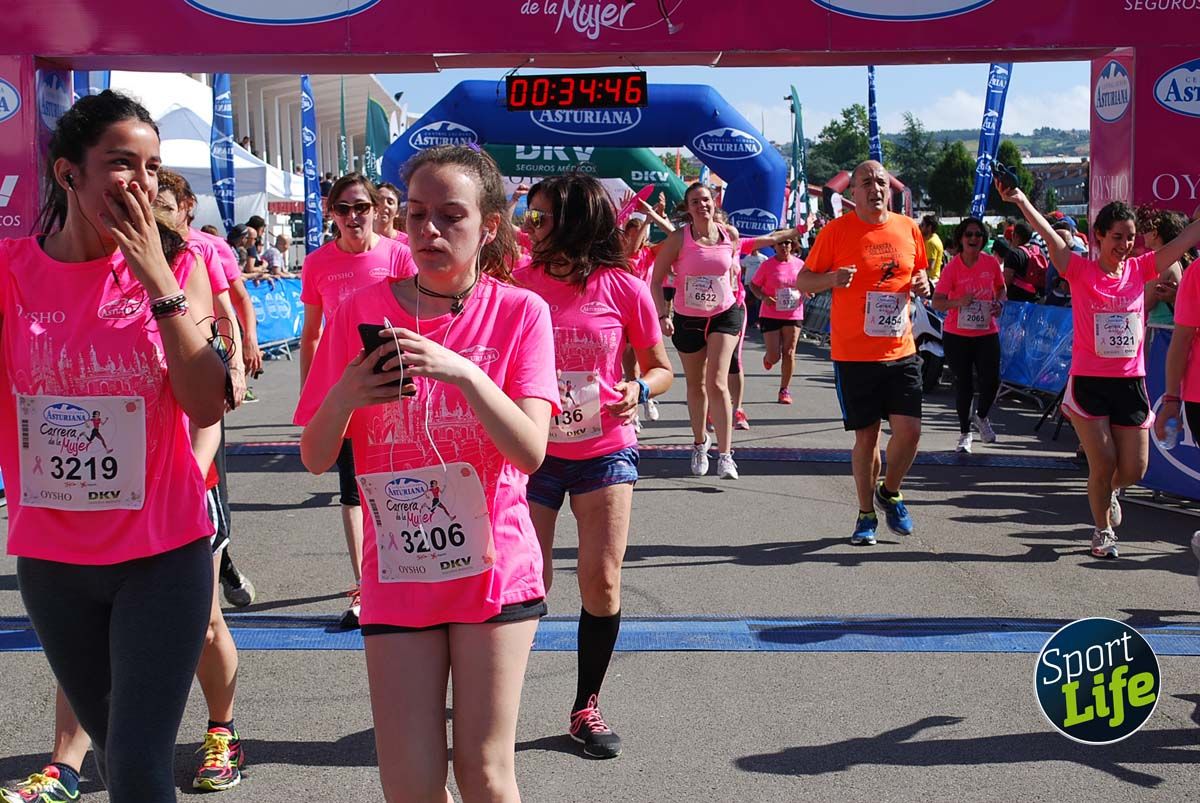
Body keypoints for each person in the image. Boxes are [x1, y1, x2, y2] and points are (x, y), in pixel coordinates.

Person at [295, 144, 557, 802]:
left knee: (485, 772)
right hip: (400, 569)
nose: (429, 231)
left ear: (490, 225)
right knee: (409, 784)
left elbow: (530, 450)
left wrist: (463, 370)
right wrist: (347, 393)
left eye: (450, 215)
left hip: (493, 567)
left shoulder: (522, 313)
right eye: (415, 215)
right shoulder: (361, 308)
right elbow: (315, 454)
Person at [0, 89, 226, 802]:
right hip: (54, 560)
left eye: (153, 167)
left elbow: (204, 399)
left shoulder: (179, 264)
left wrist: (158, 278)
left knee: (136, 764)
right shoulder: (10, 271)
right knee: (115, 756)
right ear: (69, 174)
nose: (142, 182)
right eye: (123, 163)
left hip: (162, 554)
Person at [515, 174, 672, 759]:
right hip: (531, 452)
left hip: (605, 448)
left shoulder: (622, 286)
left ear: (575, 219)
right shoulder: (517, 282)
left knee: (601, 580)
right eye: (528, 218)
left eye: (539, 217)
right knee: (527, 580)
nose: (529, 227)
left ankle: (586, 706)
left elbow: (661, 366)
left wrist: (638, 387)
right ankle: (494, 696)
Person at [1004, 187, 1200, 558]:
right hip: (1089, 382)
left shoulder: (1142, 268)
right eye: (1116, 237)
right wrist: (1020, 201)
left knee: (1135, 470)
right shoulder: (1079, 270)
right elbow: (1046, 232)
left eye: (1130, 237)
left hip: (1130, 382)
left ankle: (1108, 490)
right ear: (1098, 235)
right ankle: (1103, 530)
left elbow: (1187, 238)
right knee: (1103, 461)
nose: (1124, 244)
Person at [299, 173, 417, 629]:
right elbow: (311, 336)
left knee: (402, 482)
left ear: (376, 211)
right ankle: (365, 585)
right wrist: (314, 402)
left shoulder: (399, 255)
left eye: (361, 208)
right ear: (331, 214)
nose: (353, 217)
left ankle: (411, 568)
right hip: (343, 391)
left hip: (394, 389)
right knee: (351, 491)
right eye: (344, 209)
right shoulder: (318, 264)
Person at [796, 160, 931, 546]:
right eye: (867, 182)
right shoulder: (837, 232)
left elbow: (920, 275)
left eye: (882, 182)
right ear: (852, 192)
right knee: (867, 439)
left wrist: (923, 283)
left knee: (911, 431)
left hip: (900, 349)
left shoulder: (908, 229)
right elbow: (803, 279)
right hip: (854, 355)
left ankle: (889, 491)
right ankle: (866, 514)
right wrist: (831, 279)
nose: (876, 188)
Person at [650, 183, 743, 479]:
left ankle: (726, 455)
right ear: (687, 208)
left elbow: (734, 263)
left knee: (717, 381)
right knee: (696, 385)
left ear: (713, 202)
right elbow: (656, 280)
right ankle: (700, 443)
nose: (702, 205)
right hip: (688, 318)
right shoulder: (679, 239)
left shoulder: (730, 234)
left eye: (705, 199)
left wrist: (734, 274)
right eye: (694, 202)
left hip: (724, 314)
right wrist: (663, 314)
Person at [931, 218, 1006, 453]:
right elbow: (937, 302)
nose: (974, 239)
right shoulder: (952, 267)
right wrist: (958, 302)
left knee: (991, 380)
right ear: (961, 239)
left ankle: (981, 416)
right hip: (957, 334)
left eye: (978, 235)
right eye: (969, 235)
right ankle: (965, 434)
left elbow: (1001, 289)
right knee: (963, 384)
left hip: (986, 331)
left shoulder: (990, 263)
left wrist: (999, 303)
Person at [750, 237, 805, 404]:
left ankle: (784, 390)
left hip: (793, 313)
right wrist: (763, 297)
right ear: (774, 246)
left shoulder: (800, 264)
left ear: (793, 245)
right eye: (781, 243)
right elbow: (754, 285)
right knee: (775, 356)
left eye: (788, 243)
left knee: (789, 352)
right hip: (770, 313)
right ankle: (769, 358)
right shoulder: (767, 265)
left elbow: (807, 283)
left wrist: (809, 291)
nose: (784, 246)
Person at [1142, 210, 1193, 327]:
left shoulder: (1164, 264)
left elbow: (1146, 303)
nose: (1143, 234)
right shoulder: (1170, 260)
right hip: (1165, 329)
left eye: (1146, 230)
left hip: (1163, 332)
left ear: (1154, 234)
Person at [1002, 220, 1044, 302]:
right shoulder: (1038, 250)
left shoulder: (1014, 254)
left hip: (1017, 300)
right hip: (1036, 298)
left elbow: (1006, 281)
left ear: (1015, 235)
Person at [920, 213, 945, 281]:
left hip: (930, 279)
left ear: (929, 227)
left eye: (922, 225)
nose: (920, 227)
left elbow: (930, 266)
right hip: (934, 278)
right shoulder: (935, 237)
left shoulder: (931, 243)